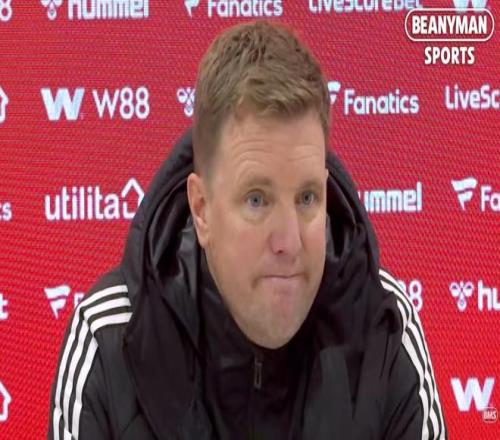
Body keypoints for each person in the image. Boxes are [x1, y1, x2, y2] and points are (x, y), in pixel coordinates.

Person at [48, 20, 446, 440]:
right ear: (201, 210)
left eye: (307, 198)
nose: (289, 242)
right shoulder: (110, 337)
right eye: (257, 200)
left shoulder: (385, 326)